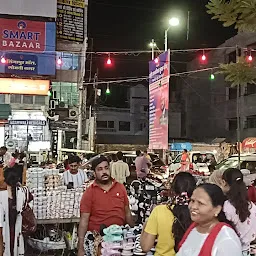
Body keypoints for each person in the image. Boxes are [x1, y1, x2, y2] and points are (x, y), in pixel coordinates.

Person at [78, 156, 134, 256]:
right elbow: (84, 220)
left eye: (106, 168)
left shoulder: (120, 188)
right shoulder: (89, 192)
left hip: (119, 240)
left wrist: (133, 232)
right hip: (98, 241)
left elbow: (127, 213)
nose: (104, 172)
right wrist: (81, 246)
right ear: (94, 173)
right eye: (100, 169)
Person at [177, 183, 242, 256]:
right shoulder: (194, 228)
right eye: (192, 201)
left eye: (200, 203)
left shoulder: (227, 240)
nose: (193, 206)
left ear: (217, 209)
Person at [141, 172, 196, 255]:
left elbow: (145, 247)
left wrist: (145, 226)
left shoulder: (159, 211)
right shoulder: (198, 214)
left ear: (172, 190)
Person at [0, 166, 33, 256]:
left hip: (5, 231)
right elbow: (30, 199)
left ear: (5, 180)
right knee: (17, 248)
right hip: (18, 230)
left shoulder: (1, 196)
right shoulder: (24, 192)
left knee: (7, 248)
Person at [222, 168, 256, 254]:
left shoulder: (226, 206)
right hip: (246, 250)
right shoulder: (252, 206)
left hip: (229, 250)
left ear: (224, 182)